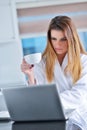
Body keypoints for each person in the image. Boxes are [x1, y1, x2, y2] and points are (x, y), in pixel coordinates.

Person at [21, 16, 87, 130]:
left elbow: (80, 96)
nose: (58, 44)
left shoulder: (84, 61)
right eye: (54, 39)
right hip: (51, 118)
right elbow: (37, 96)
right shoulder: (42, 63)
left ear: (72, 39)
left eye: (63, 39)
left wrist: (48, 102)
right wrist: (30, 75)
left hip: (80, 118)